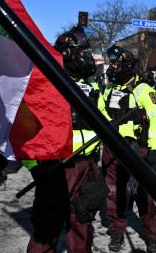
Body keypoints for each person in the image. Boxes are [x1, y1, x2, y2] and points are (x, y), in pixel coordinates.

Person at [24, 26, 108, 253]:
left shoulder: (91, 87)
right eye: (84, 52)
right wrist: (34, 165)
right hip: (57, 168)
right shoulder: (47, 83)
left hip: (87, 166)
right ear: (68, 53)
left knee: (82, 225)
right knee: (46, 231)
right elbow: (25, 128)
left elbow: (104, 122)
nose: (88, 57)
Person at [102, 44, 156, 253]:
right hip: (112, 149)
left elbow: (154, 120)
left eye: (116, 63)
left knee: (143, 195)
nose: (112, 67)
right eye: (111, 63)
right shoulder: (109, 90)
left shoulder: (144, 90)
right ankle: (117, 230)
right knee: (113, 193)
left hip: (137, 149)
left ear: (127, 65)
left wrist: (154, 148)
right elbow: (102, 114)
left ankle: (152, 236)